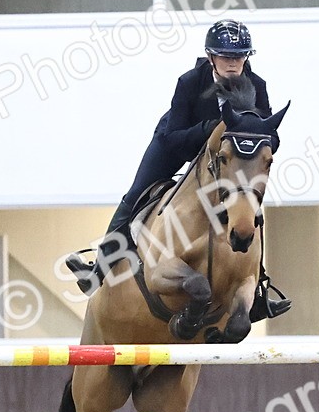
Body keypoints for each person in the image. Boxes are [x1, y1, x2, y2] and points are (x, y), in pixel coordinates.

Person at [64, 19, 290, 320]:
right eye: (225, 56)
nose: (233, 63)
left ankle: (258, 291)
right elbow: (174, 138)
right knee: (135, 195)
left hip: (224, 157)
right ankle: (98, 270)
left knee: (250, 209)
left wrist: (258, 139)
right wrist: (211, 129)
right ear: (211, 57)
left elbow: (271, 138)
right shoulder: (190, 82)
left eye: (239, 57)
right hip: (177, 142)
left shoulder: (257, 85)